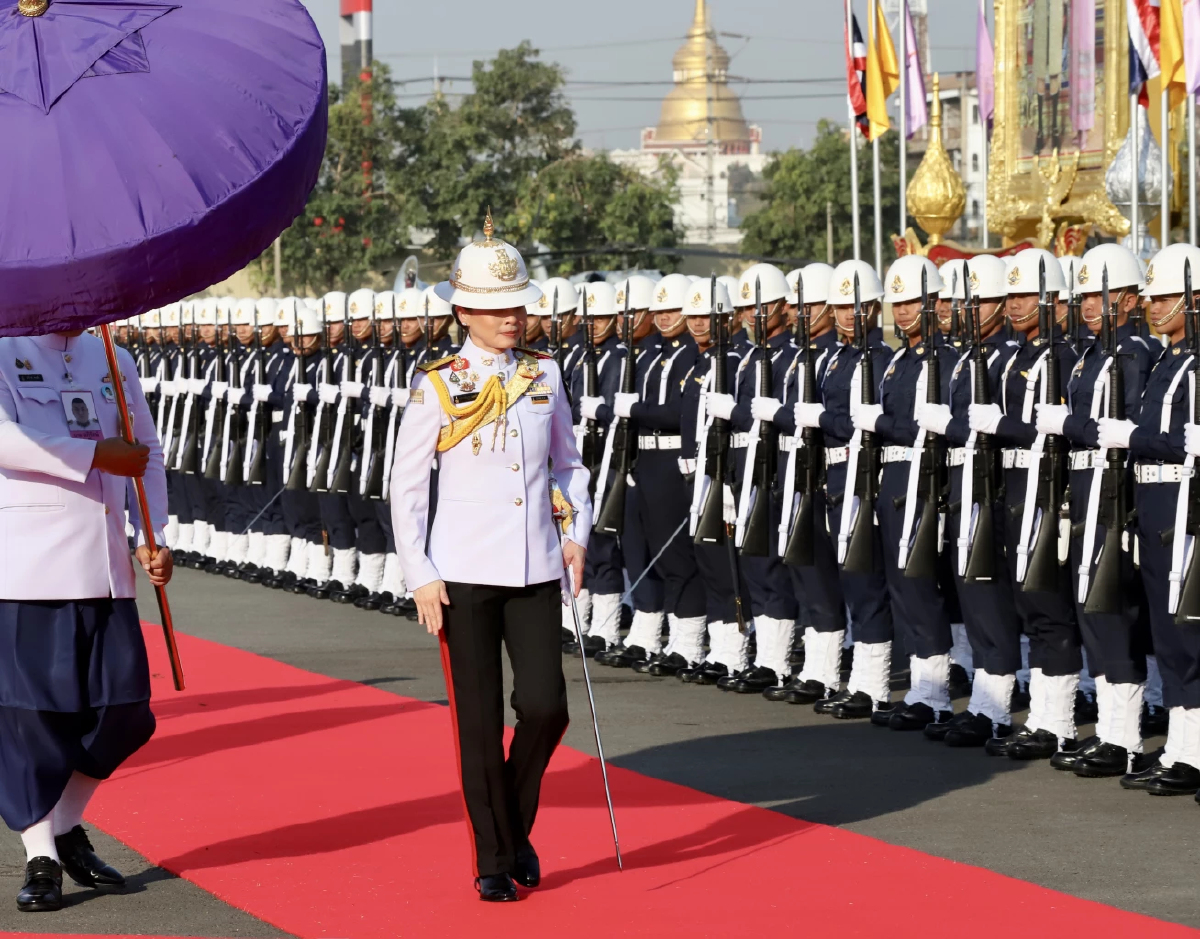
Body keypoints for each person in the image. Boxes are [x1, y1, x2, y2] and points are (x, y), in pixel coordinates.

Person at [391, 213, 591, 902]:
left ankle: (510, 821)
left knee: (546, 706)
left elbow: (569, 466)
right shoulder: (437, 384)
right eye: (497, 307)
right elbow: (406, 486)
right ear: (464, 312)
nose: (512, 317)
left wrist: (576, 530)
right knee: (478, 725)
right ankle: (493, 858)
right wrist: (419, 573)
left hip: (535, 565)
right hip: (462, 575)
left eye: (518, 305)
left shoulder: (545, 375)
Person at [0, 326, 172, 912]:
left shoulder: (113, 357)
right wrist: (95, 455)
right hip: (30, 570)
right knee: (31, 720)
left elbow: (146, 451)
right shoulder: (3, 350)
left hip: (106, 567)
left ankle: (67, 825)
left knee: (125, 711)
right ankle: (41, 855)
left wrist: (153, 533)